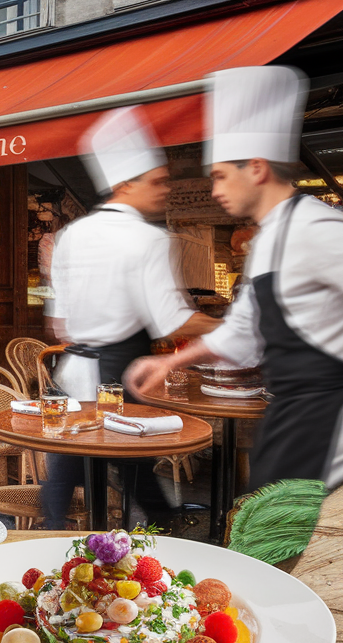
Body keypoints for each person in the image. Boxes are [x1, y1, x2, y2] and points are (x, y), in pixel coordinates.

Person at [127, 66, 343, 492]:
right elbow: (242, 333)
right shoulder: (269, 240)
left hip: (327, 431)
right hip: (289, 421)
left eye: (221, 175)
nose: (215, 190)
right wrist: (170, 362)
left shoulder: (319, 229)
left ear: (257, 168)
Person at [41, 105, 218, 531]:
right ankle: (164, 532)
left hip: (72, 373)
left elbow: (58, 325)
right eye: (157, 181)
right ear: (124, 184)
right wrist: (233, 329)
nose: (165, 190)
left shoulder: (70, 235)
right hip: (120, 373)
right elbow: (173, 322)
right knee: (134, 465)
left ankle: (57, 535)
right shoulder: (147, 238)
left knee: (68, 469)